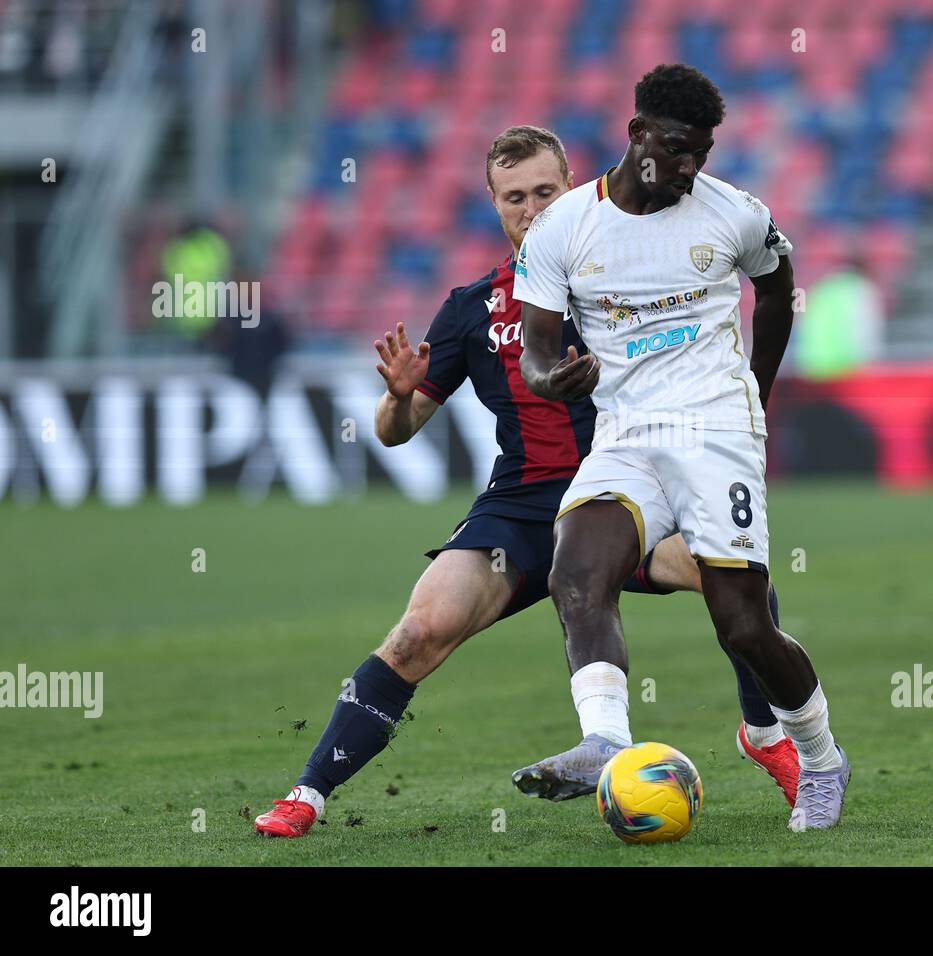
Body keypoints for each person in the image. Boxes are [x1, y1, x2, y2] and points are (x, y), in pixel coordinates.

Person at [252, 125, 797, 838]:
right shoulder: (472, 308)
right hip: (523, 509)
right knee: (418, 633)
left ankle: (762, 732)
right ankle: (308, 793)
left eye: (546, 191)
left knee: (734, 569)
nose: (532, 208)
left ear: (570, 186)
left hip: (624, 493)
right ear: (494, 204)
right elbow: (399, 429)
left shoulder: (626, 273)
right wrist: (395, 395)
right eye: (515, 197)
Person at [512, 65, 850, 831]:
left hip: (714, 430)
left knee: (742, 624)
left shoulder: (733, 214)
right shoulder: (564, 228)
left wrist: (754, 394)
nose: (691, 167)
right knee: (575, 570)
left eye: (701, 151)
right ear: (636, 136)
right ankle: (605, 739)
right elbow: (535, 353)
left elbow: (776, 285)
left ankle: (823, 760)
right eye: (676, 148)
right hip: (626, 434)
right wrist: (552, 378)